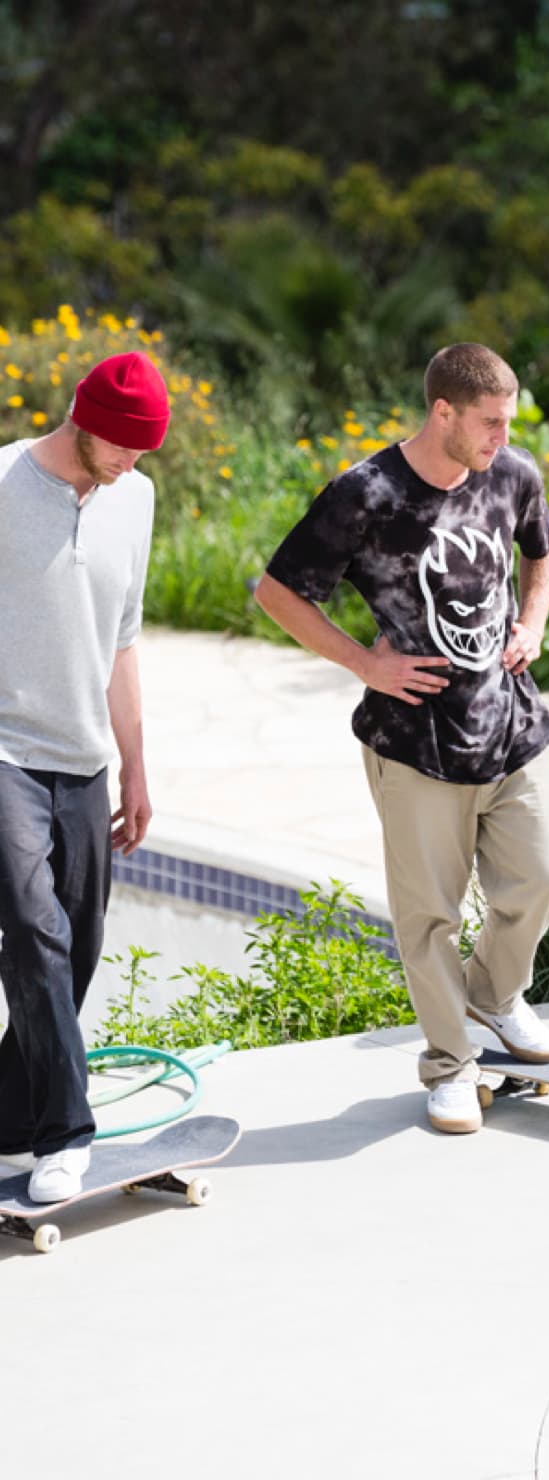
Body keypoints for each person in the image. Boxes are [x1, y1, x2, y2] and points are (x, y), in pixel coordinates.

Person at [255, 343, 549, 1133]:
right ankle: (451, 1064)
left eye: (508, 422)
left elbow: (543, 547)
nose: (503, 437)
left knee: (546, 879)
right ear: (444, 413)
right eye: (490, 422)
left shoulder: (512, 475)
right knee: (428, 917)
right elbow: (277, 591)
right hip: (416, 741)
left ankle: (494, 997)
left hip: (512, 724)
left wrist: (532, 622)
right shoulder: (367, 494)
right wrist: (366, 663)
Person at [0, 351, 167, 1197]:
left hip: (82, 758)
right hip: (4, 753)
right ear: (85, 421)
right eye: (128, 446)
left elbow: (123, 641)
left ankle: (8, 1126)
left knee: (78, 944)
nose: (135, 463)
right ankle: (67, 1133)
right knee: (33, 933)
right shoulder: (1, 484)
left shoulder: (133, 498)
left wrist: (135, 768)